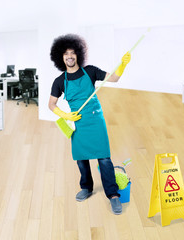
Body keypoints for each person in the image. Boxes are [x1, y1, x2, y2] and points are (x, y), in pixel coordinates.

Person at [48, 34, 131, 215]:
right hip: (78, 124)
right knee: (81, 158)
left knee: (104, 158)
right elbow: (51, 104)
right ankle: (86, 187)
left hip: (95, 120)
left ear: (78, 54)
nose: (69, 56)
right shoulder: (59, 81)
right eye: (65, 54)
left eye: (72, 53)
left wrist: (123, 65)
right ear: (61, 58)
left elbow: (114, 79)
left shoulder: (90, 71)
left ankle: (113, 195)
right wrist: (65, 115)